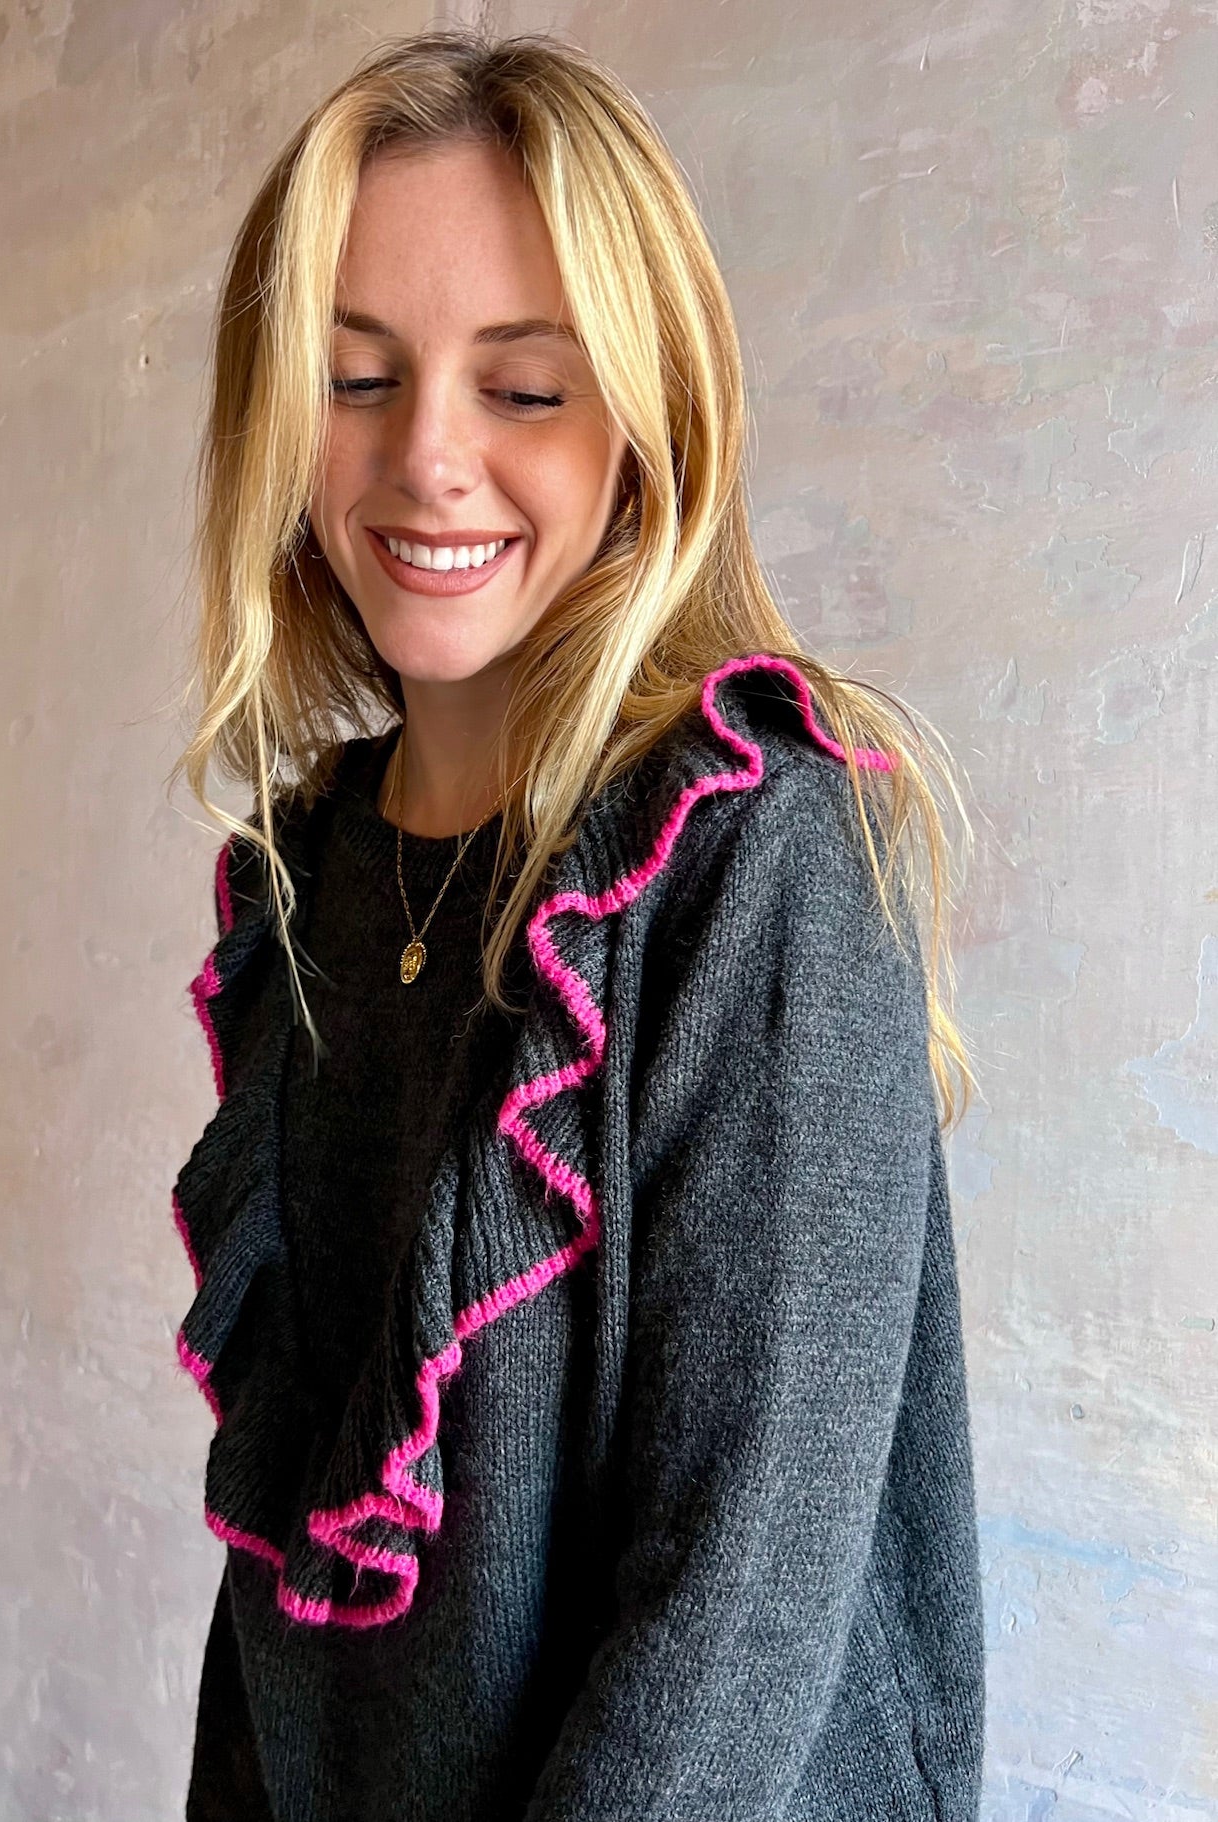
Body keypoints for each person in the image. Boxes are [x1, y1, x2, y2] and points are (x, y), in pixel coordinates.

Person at [165, 27, 986, 1822]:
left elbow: (733, 1610)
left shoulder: (758, 840)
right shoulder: (308, 879)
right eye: (354, 376)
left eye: (523, 388)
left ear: (645, 416)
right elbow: (285, 1601)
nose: (426, 457)